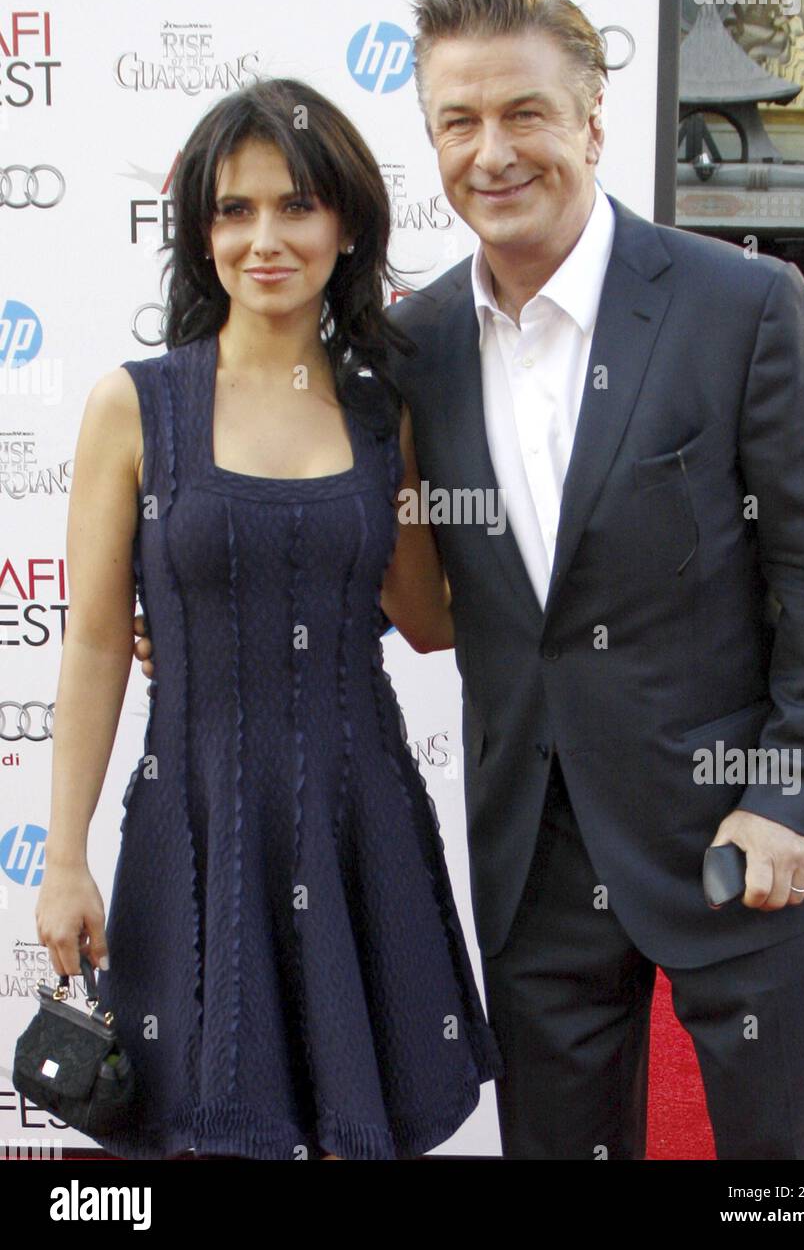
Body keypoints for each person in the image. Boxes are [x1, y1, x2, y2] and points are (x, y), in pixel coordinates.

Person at [135, 0, 804, 1160]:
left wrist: (788, 796)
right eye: (457, 122)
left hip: (732, 822)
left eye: (524, 114)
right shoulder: (409, 347)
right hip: (532, 846)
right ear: (430, 137)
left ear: (591, 120)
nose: (492, 152)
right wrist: (191, 619)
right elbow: (383, 574)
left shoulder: (736, 306)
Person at [35, 76, 502, 1162]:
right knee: (203, 1121)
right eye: (234, 210)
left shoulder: (385, 407)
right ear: (200, 232)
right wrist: (64, 856)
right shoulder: (134, 404)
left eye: (295, 206)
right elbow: (99, 638)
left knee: (353, 1122)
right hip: (191, 818)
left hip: (356, 815)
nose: (265, 238)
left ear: (345, 225)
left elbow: (428, 620)